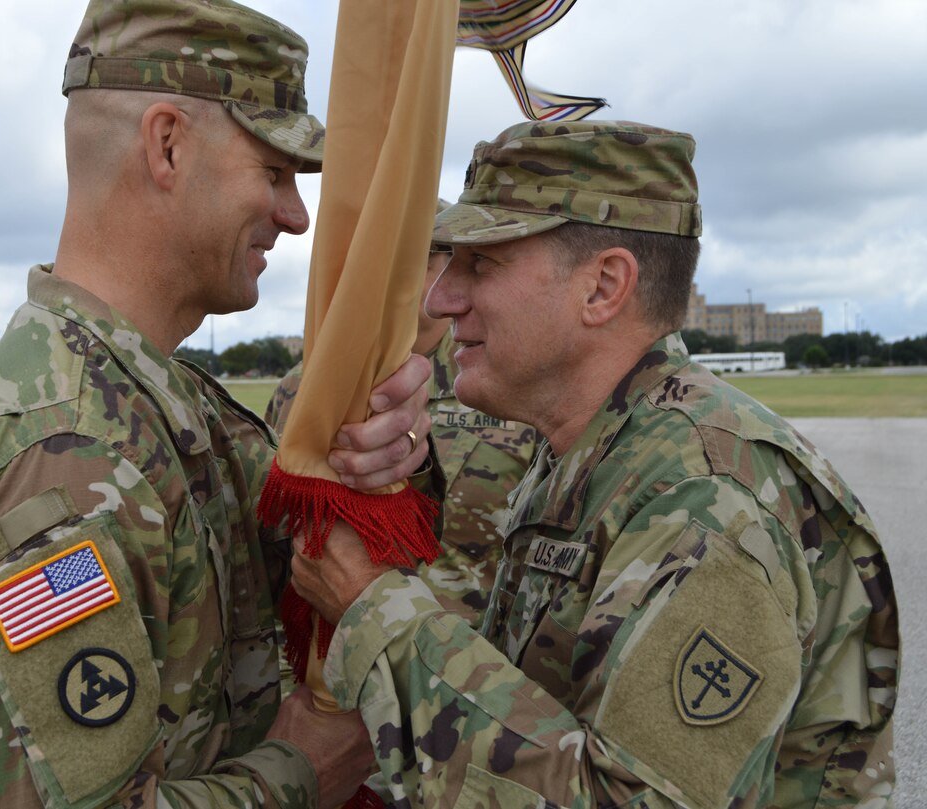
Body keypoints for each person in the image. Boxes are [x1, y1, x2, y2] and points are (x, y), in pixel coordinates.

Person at [0, 2, 435, 807]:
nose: (297, 214)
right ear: (167, 145)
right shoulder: (64, 455)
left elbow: (316, 556)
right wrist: (302, 772)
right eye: (274, 171)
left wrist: (390, 454)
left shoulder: (162, 402)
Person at [289, 120, 900, 808]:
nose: (441, 297)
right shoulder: (592, 451)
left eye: (482, 263)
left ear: (604, 286)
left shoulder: (707, 499)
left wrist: (375, 607)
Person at [266, 200, 539, 626]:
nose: (383, 274)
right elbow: (281, 545)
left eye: (411, 259)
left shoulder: (504, 387)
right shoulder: (304, 387)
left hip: (459, 668)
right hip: (330, 667)